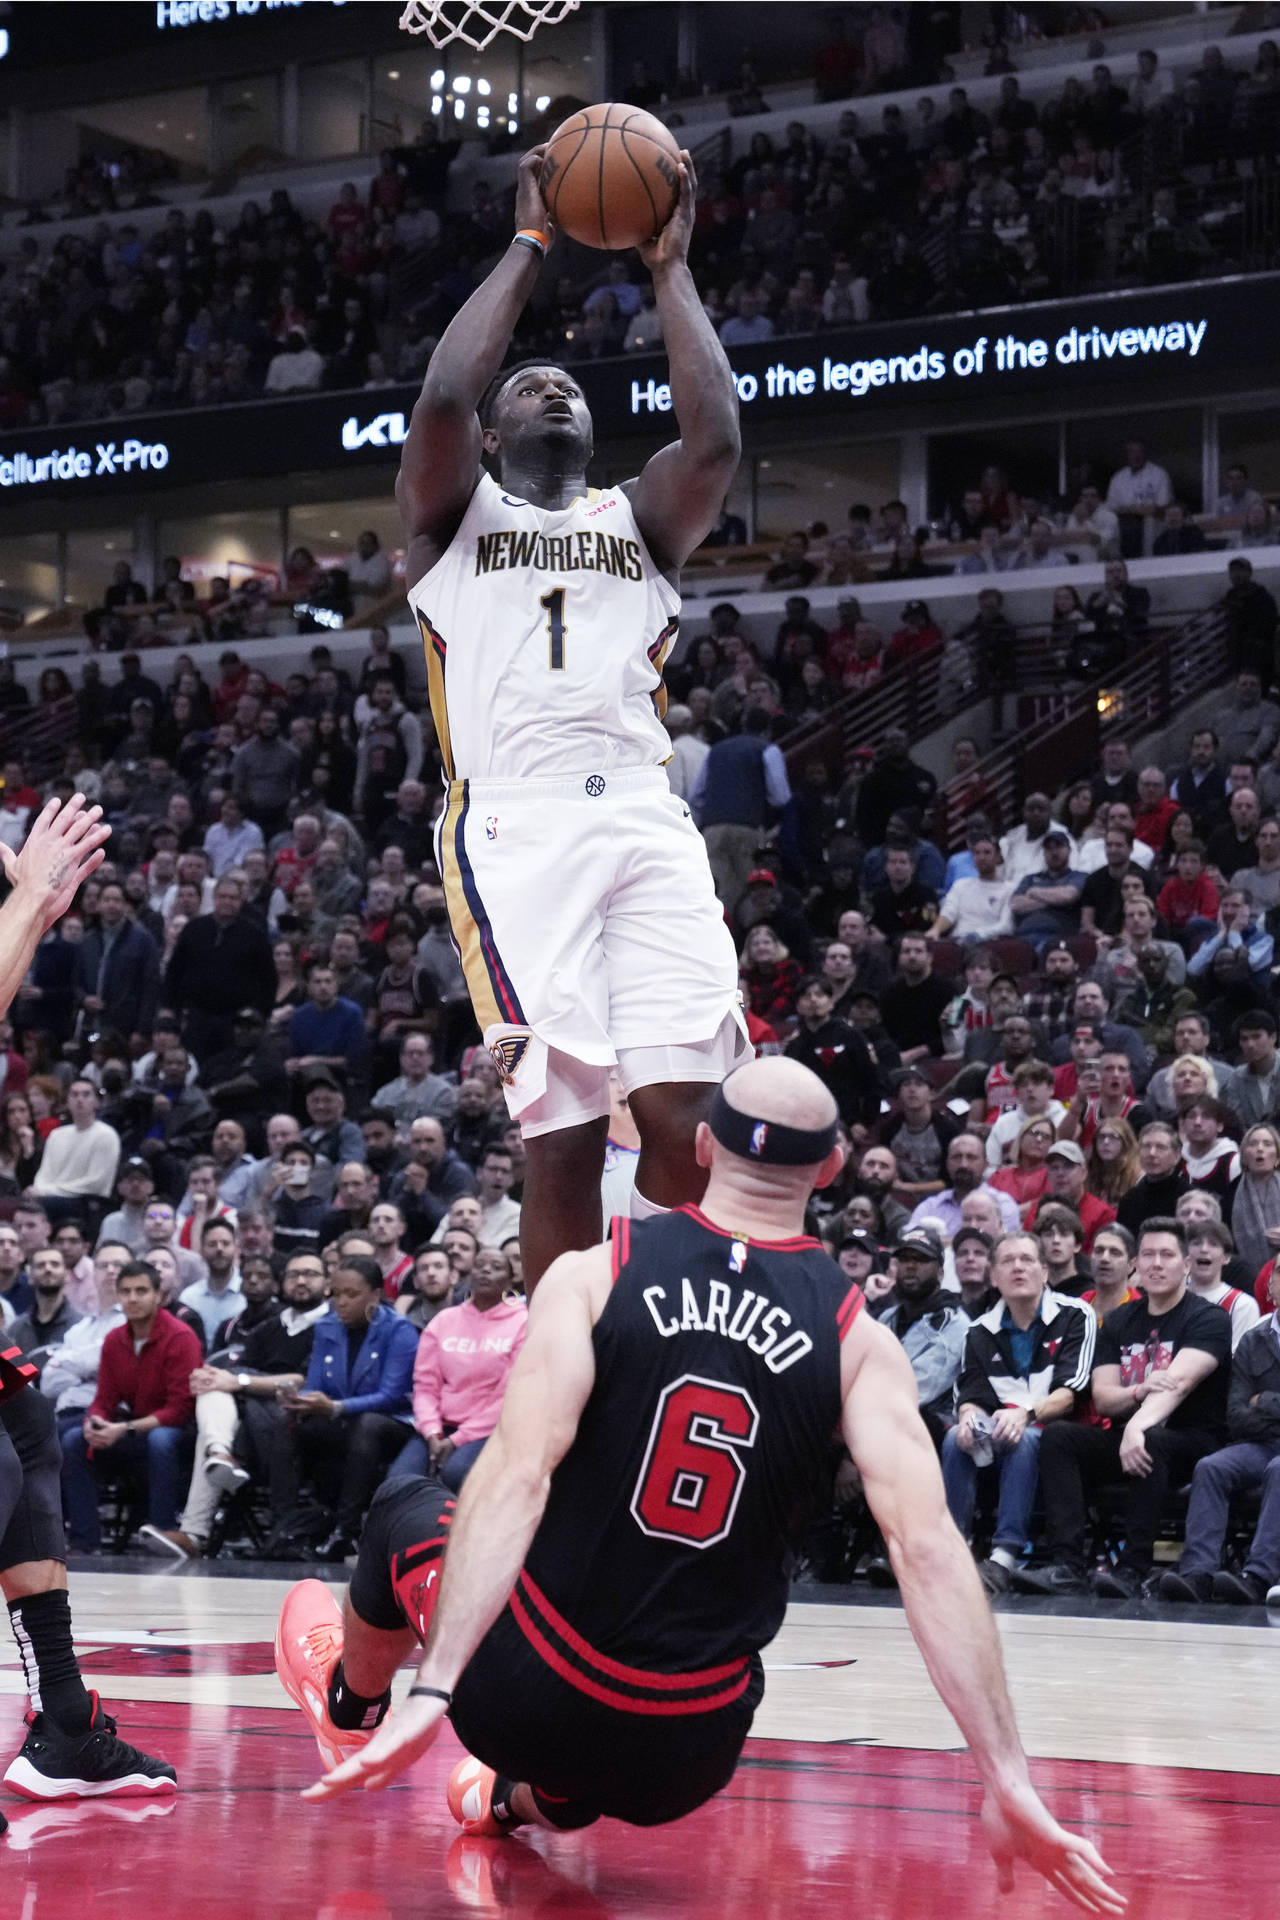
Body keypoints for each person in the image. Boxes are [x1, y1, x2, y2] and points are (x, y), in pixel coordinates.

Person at [271, 1059, 1120, 1913]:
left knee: (405, 1510)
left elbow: (517, 1476)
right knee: (629, 1697)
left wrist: (438, 1686)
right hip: (687, 1752)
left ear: (705, 1144)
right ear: (828, 1171)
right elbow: (929, 1553)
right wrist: (1006, 1776)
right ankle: (513, 1800)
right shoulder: (859, 1339)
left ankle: (354, 1701)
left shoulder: (597, 1273)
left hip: (523, 1698)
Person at [394, 145, 749, 1293]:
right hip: (517, 826)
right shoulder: (453, 513)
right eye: (528, 388)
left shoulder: (640, 518)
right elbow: (444, 394)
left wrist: (669, 269)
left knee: (688, 1123)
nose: (553, 386)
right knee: (561, 1133)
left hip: (643, 813)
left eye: (572, 386)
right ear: (494, 439)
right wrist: (532, 241)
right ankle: (560, 1361)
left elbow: (717, 446)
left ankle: (650, 1306)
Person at [1014, 1217, 1230, 1599]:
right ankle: (1067, 1565)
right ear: (1136, 1265)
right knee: (1061, 1437)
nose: (1157, 1264)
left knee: (1154, 1441)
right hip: (1130, 1434)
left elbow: (1177, 1384)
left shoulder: (1208, 1318)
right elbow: (1104, 1397)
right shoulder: (1118, 1320)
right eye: (1148, 1254)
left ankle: (1133, 1568)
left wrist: (1137, 1426)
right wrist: (1136, 1395)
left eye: (1167, 1255)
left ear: (1186, 1265)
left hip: (1191, 1441)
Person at [944, 1232, 1095, 1594]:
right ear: (993, 1276)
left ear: (1045, 1271)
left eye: (1027, 1260)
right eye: (1008, 1261)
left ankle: (1004, 1556)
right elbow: (972, 1393)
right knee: (954, 1436)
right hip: (997, 1435)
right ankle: (951, 1550)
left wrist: (1025, 1414)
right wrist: (968, 1417)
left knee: (1026, 1438)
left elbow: (1071, 1391)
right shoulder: (979, 1331)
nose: (1018, 1268)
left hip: (1060, 1438)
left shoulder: (1076, 1315)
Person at [58, 1258, 202, 1555]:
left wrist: (123, 1428)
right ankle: (85, 1542)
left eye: (141, 1291)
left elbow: (180, 1409)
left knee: (162, 1441)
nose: (132, 1299)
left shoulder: (181, 1337)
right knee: (75, 1439)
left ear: (158, 1295)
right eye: (125, 1292)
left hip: (177, 1430)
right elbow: (104, 1398)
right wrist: (95, 1422)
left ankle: (162, 1535)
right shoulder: (114, 1340)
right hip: (133, 1427)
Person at [280, 1254, 418, 1562]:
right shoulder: (327, 1326)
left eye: (351, 1295)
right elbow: (315, 1382)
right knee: (292, 1426)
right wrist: (301, 1400)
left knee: (367, 1425)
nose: (341, 1302)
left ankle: (347, 1530)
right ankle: (291, 1526)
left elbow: (391, 1395)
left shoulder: (399, 1330)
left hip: (392, 1422)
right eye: (336, 1294)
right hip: (344, 1418)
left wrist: (335, 1406)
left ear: (376, 1296)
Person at [1159, 1259, 1280, 1606]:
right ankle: (1197, 1573)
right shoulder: (1253, 1339)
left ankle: (1258, 1575)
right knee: (1212, 1467)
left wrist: (1265, 1401)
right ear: (1270, 1285)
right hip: (1258, 1444)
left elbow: (1253, 1407)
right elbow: (1237, 1416)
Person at [389, 1246, 527, 1487]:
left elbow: (509, 1395)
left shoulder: (523, 1321)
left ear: (510, 1280)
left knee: (455, 1474)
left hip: (490, 1429)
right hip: (440, 1426)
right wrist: (432, 1432)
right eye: (480, 1265)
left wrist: (458, 1440)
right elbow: (425, 1385)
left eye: (495, 1268)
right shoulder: (445, 1320)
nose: (485, 1271)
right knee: (398, 1482)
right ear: (469, 1274)